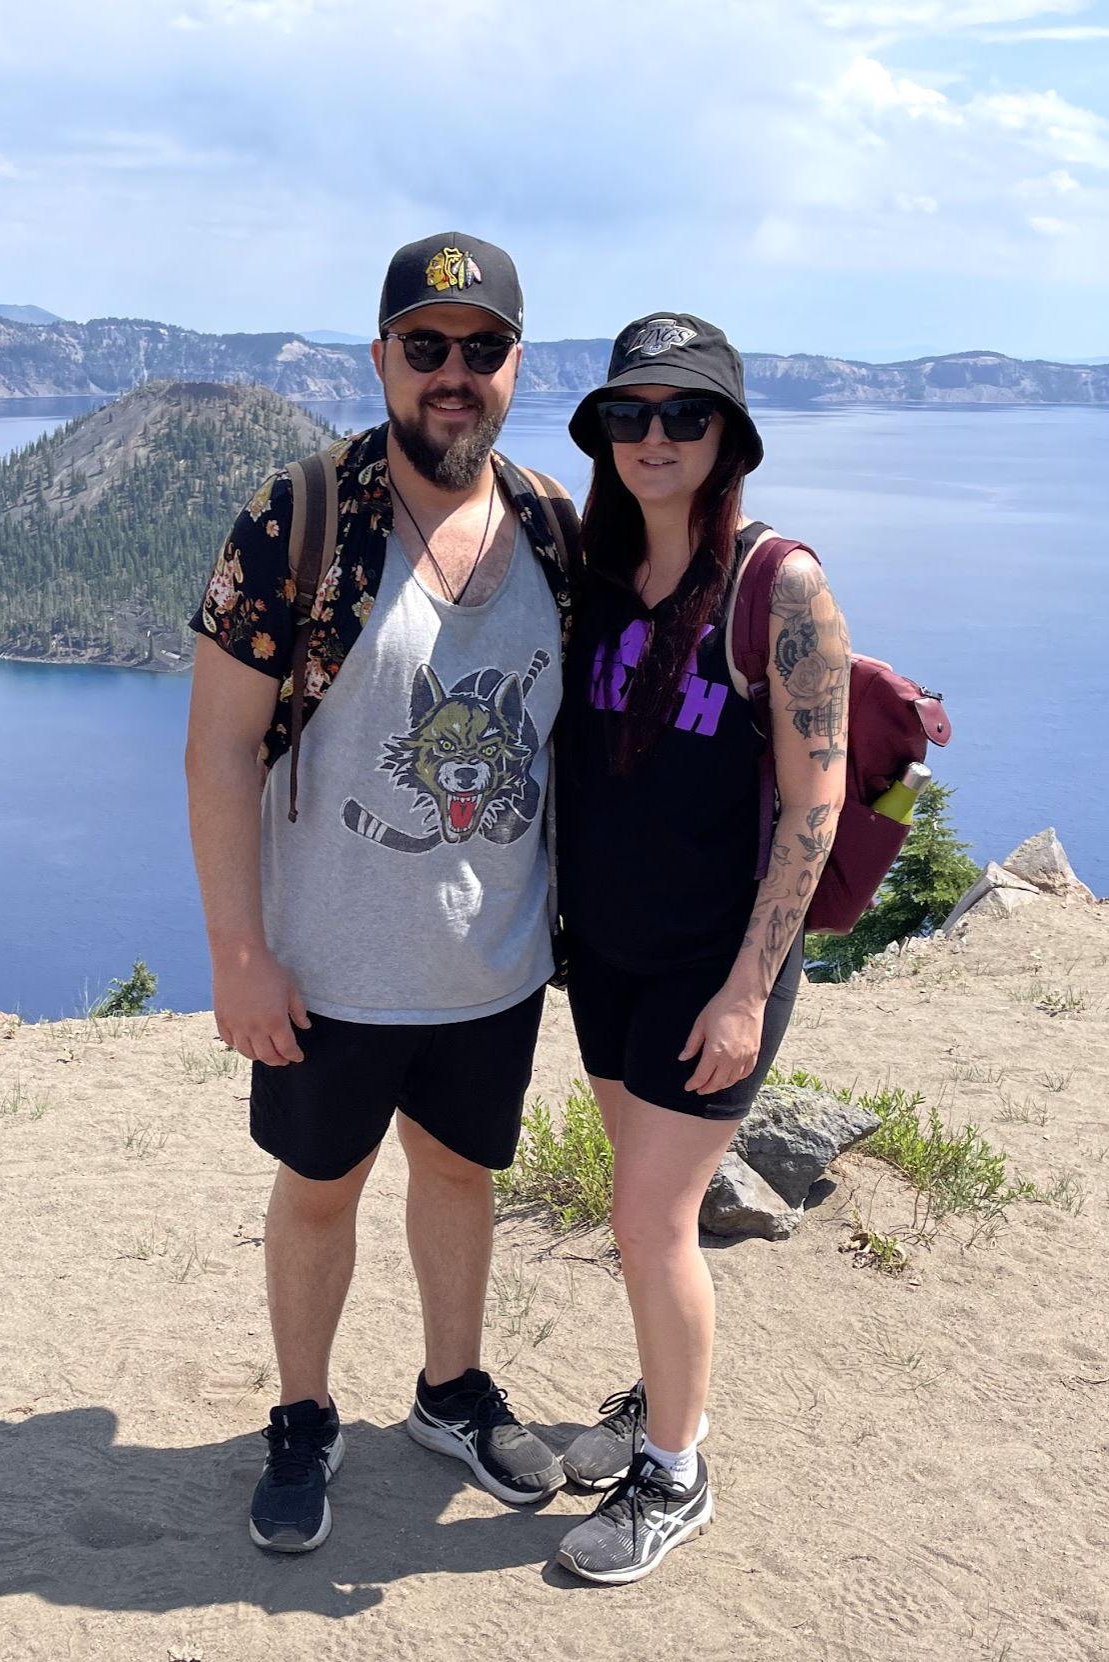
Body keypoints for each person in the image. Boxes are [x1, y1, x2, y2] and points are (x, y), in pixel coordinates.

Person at [184, 232, 578, 1553]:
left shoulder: (551, 528)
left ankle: (449, 1390)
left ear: (515, 365)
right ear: (381, 358)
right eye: (426, 346)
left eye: (481, 348)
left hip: (492, 960)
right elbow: (219, 749)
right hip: (326, 964)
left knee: (459, 1174)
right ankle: (303, 1414)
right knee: (318, 1187)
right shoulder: (299, 517)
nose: (452, 372)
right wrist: (239, 954)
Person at [551, 314, 850, 1585]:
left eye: (685, 413)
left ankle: (676, 1473)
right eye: (629, 415)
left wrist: (745, 990)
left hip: (712, 970)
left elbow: (816, 803)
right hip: (608, 955)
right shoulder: (602, 571)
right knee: (641, 1211)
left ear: (729, 436)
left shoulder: (779, 585)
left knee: (649, 1220)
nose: (655, 436)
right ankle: (663, 1395)